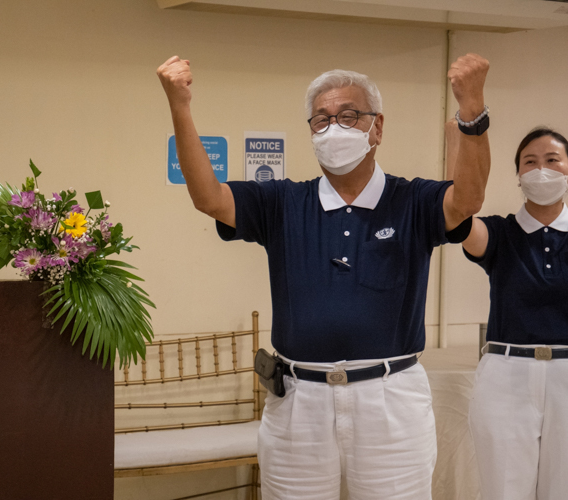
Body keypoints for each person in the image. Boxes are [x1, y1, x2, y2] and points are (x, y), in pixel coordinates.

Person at [157, 54, 490, 499]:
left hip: (390, 401)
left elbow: (467, 199)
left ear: (377, 127)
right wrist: (180, 106)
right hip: (299, 402)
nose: (334, 129)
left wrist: (472, 111)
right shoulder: (283, 203)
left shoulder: (412, 200)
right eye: (321, 120)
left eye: (348, 116)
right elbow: (209, 198)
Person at [447, 123, 568, 500]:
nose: (541, 170)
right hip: (507, 374)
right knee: (504, 490)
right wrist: (460, 146)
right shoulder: (500, 232)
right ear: (518, 175)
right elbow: (459, 221)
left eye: (552, 160)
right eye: (529, 162)